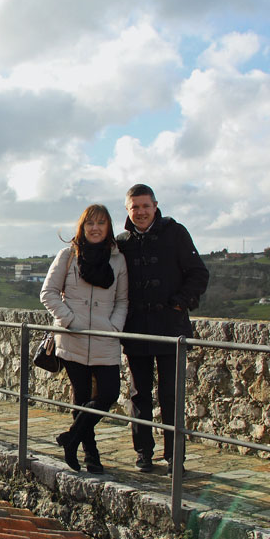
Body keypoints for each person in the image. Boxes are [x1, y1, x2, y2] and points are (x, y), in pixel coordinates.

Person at [116, 184, 209, 473]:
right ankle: (144, 453)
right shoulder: (122, 242)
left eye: (146, 206)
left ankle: (175, 459)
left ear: (155, 206)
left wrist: (179, 304)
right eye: (135, 207)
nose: (141, 212)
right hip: (136, 330)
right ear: (128, 210)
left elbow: (198, 273)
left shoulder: (175, 233)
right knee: (139, 395)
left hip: (171, 328)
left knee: (171, 395)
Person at [40, 204, 128, 474]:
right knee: (80, 398)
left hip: (104, 337)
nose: (95, 228)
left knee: (109, 394)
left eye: (101, 223)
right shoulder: (68, 255)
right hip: (72, 338)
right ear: (82, 226)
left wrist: (114, 327)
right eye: (90, 223)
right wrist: (71, 321)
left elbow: (123, 300)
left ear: (108, 227)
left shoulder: (117, 259)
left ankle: (71, 438)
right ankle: (91, 455)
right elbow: (49, 293)